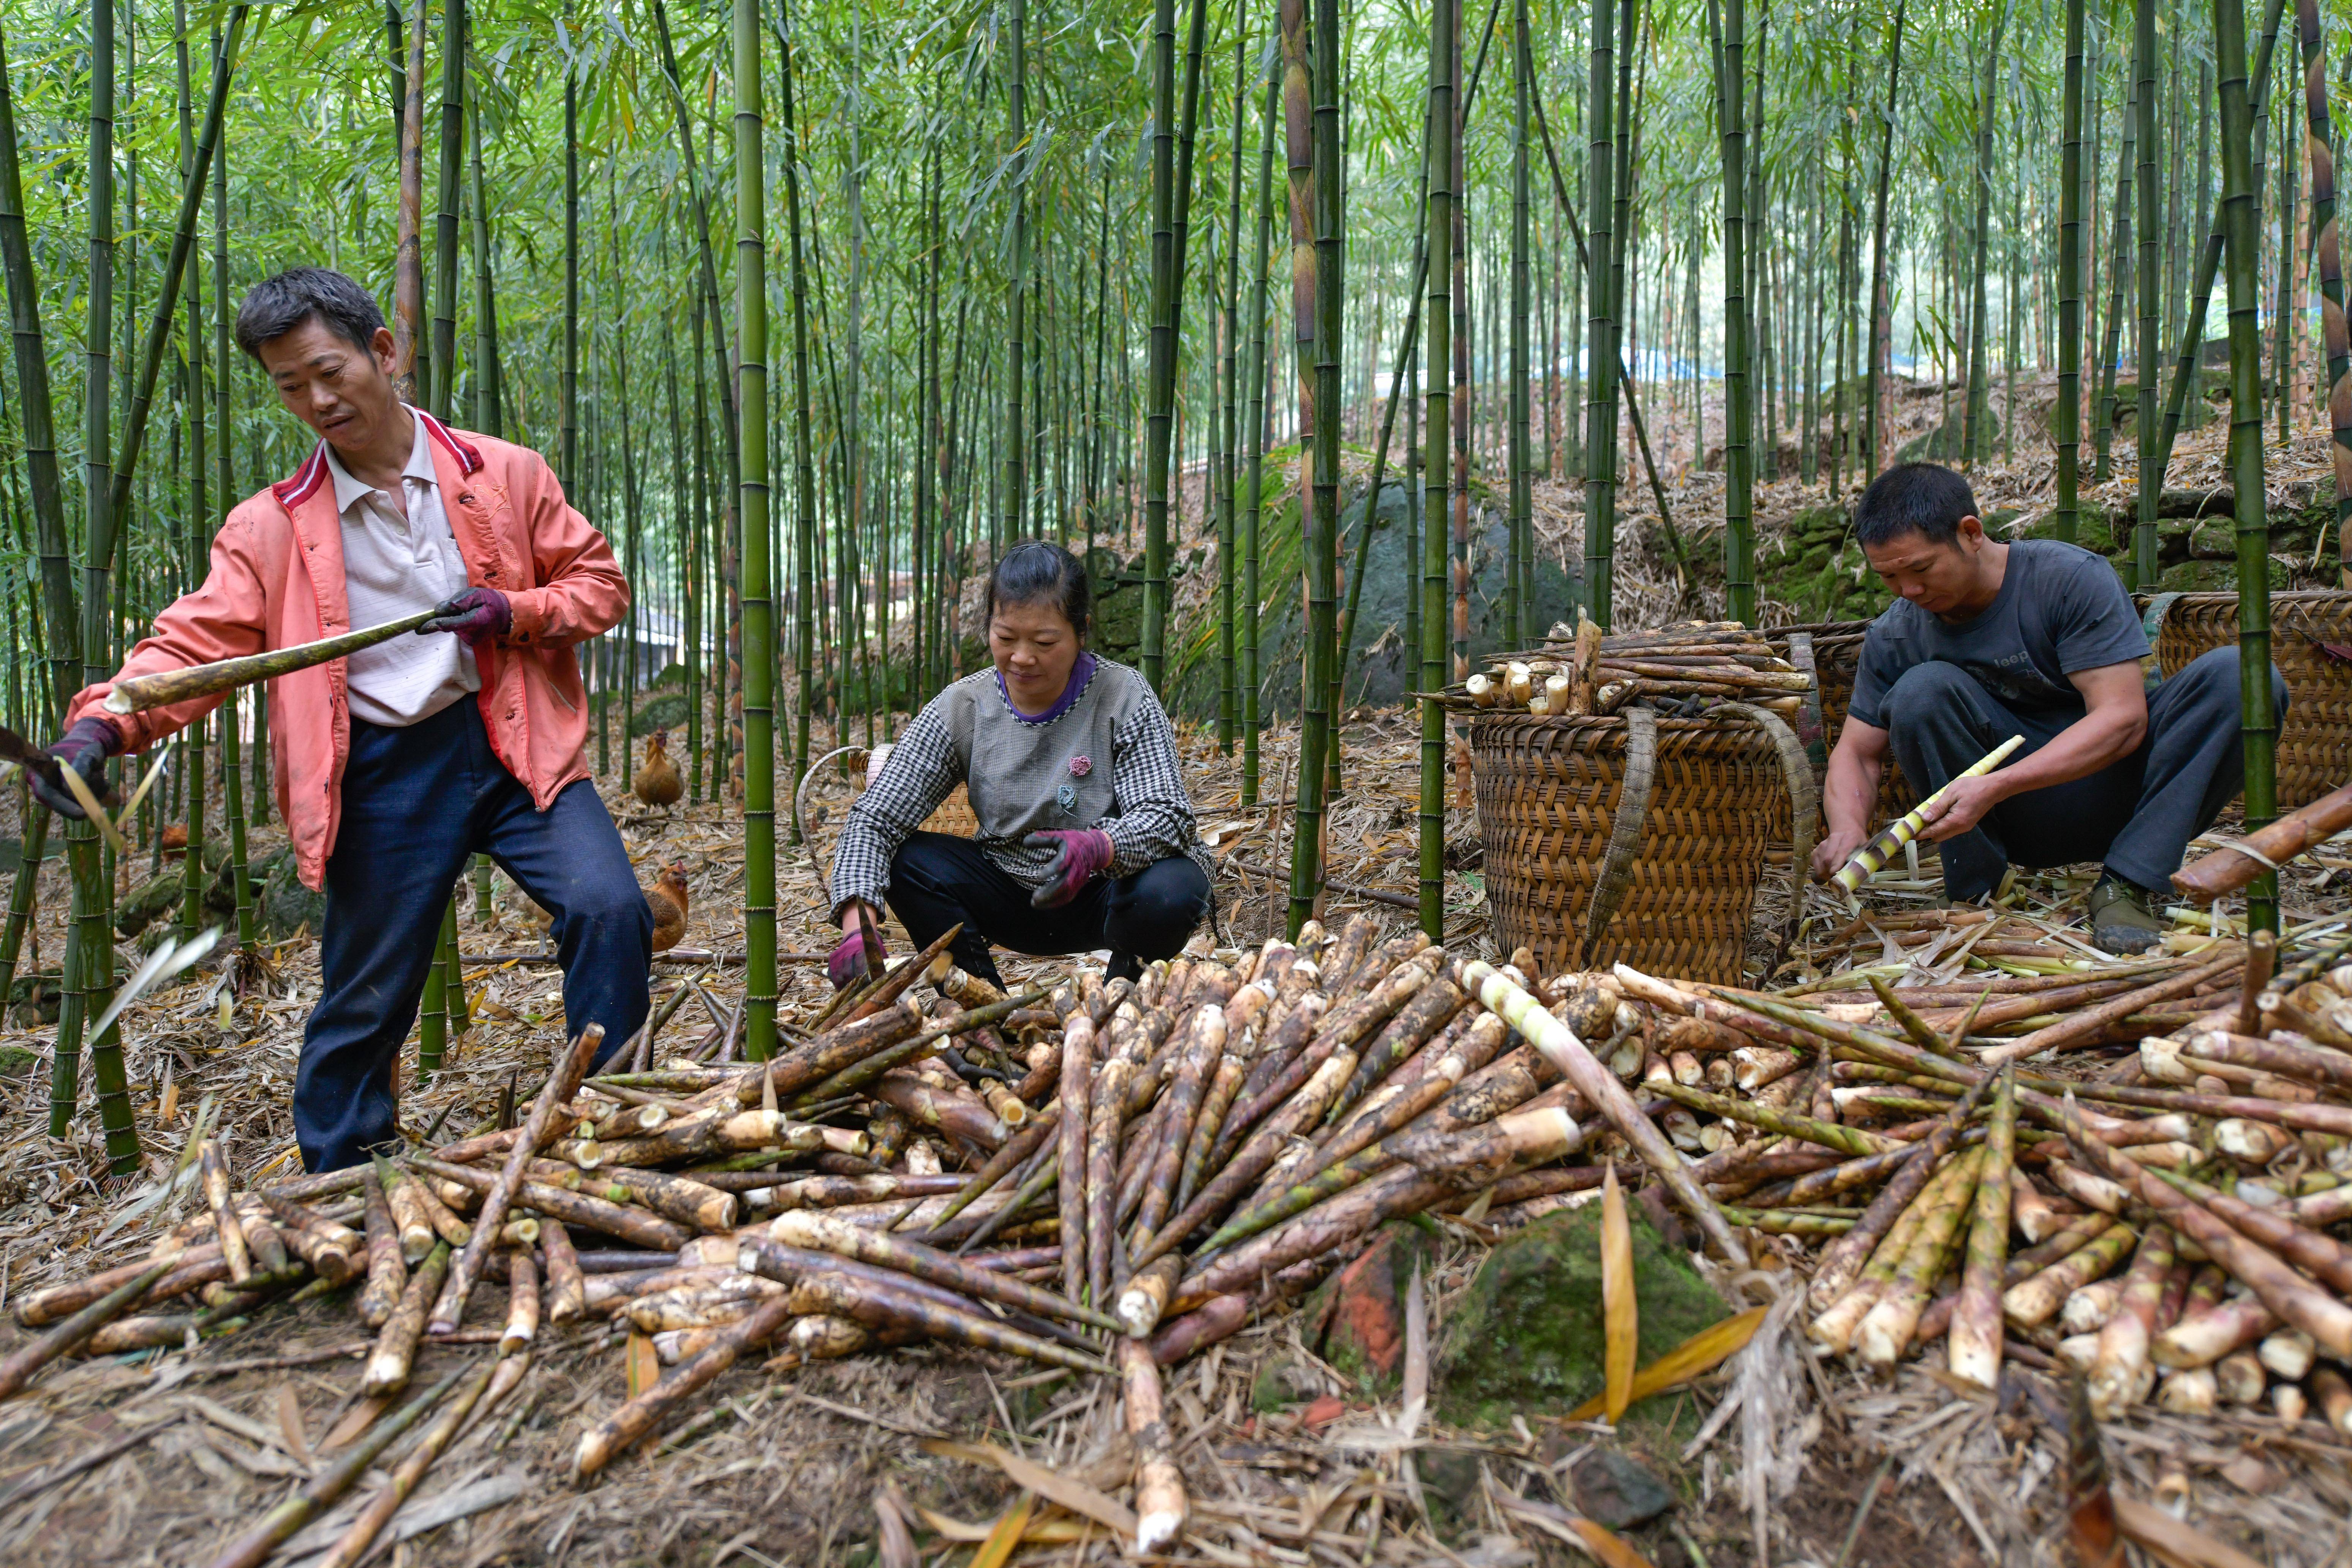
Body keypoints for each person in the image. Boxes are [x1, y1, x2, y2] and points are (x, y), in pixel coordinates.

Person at [43, 267, 648, 1171]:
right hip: (379, 772)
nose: (318, 399)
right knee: (367, 995)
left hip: (513, 741)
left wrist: (512, 612)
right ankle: (346, 1175)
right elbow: (194, 646)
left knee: (611, 907)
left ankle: (614, 1121)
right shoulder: (270, 529)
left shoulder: (504, 473)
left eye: (331, 371)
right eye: (291, 386)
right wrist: (103, 724)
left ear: (385, 351)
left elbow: (598, 585)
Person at [1810, 462, 2286, 954]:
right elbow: (1857, 754)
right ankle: (1978, 895)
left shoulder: (2067, 579)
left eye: (1921, 569)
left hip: (2127, 792)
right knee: (1920, 691)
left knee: (2243, 679)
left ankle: (2131, 884)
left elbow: (2123, 720)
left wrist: (1996, 785)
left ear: (1971, 533)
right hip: (2007, 818)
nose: (1909, 591)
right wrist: (1848, 828)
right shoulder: (1897, 633)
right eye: (1889, 576)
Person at [828, 540, 1214, 990]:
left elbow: (1167, 815)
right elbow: (875, 819)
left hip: (1106, 892)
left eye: (1045, 641)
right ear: (988, 628)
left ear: (1082, 632)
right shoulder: (965, 707)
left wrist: (1099, 846)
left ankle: (1121, 998)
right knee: (908, 862)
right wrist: (859, 928)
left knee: (1172, 888)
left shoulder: (1122, 695)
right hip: (1010, 892)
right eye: (1006, 638)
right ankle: (981, 1005)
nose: (1022, 657)